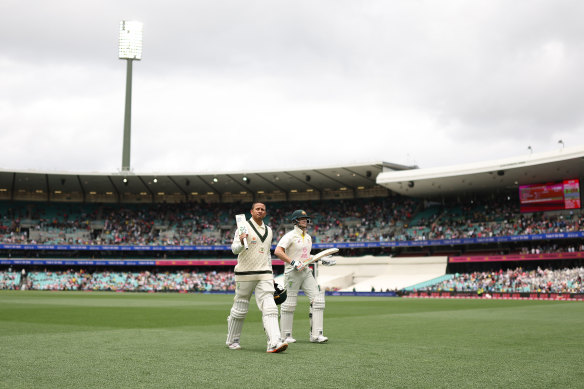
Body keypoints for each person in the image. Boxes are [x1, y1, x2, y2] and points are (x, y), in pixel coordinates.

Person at [225, 202, 288, 353]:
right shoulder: (243, 227)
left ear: (265, 213)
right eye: (257, 209)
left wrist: (271, 274)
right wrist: (241, 241)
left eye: (263, 209)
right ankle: (232, 340)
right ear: (251, 212)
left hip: (264, 273)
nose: (260, 211)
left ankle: (274, 342)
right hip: (244, 273)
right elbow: (234, 250)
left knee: (270, 306)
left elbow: (267, 254)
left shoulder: (269, 230)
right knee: (240, 307)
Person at [274, 209, 328, 344]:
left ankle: (316, 335)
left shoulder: (308, 237)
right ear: (295, 221)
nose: (305, 221)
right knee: (289, 303)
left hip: (305, 271)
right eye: (302, 219)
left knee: (318, 300)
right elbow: (278, 251)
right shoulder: (290, 236)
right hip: (292, 272)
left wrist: (320, 259)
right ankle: (285, 336)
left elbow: (306, 257)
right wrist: (292, 262)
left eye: (306, 219)